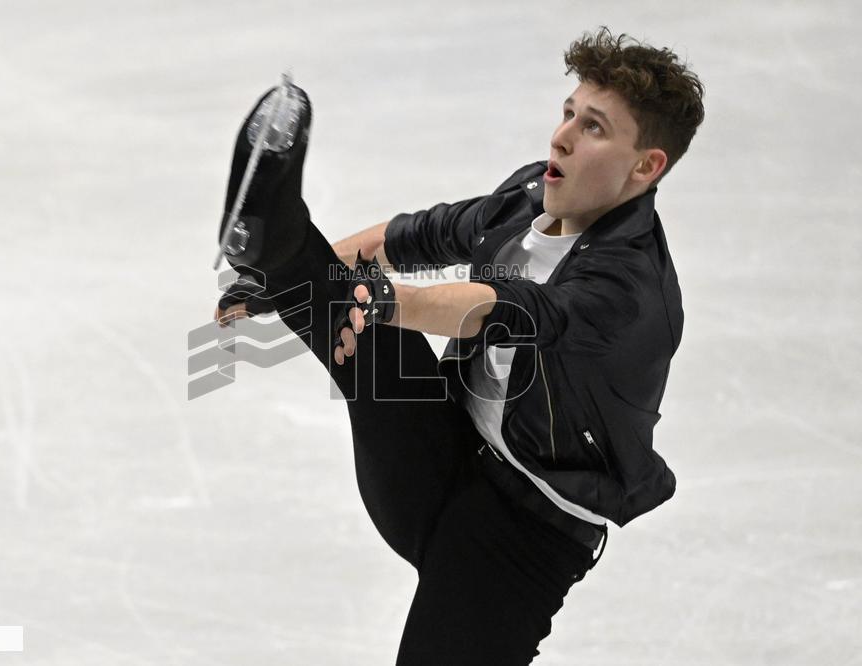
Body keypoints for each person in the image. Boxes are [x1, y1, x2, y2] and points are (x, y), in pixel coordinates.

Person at [213, 26, 705, 666]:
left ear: (647, 165)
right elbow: (418, 235)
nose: (561, 137)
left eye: (594, 129)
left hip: (522, 535)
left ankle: (289, 257)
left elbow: (507, 311)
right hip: (440, 450)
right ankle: (277, 240)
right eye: (568, 114)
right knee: (374, 339)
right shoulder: (532, 195)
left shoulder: (628, 286)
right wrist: (287, 283)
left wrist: (393, 300)